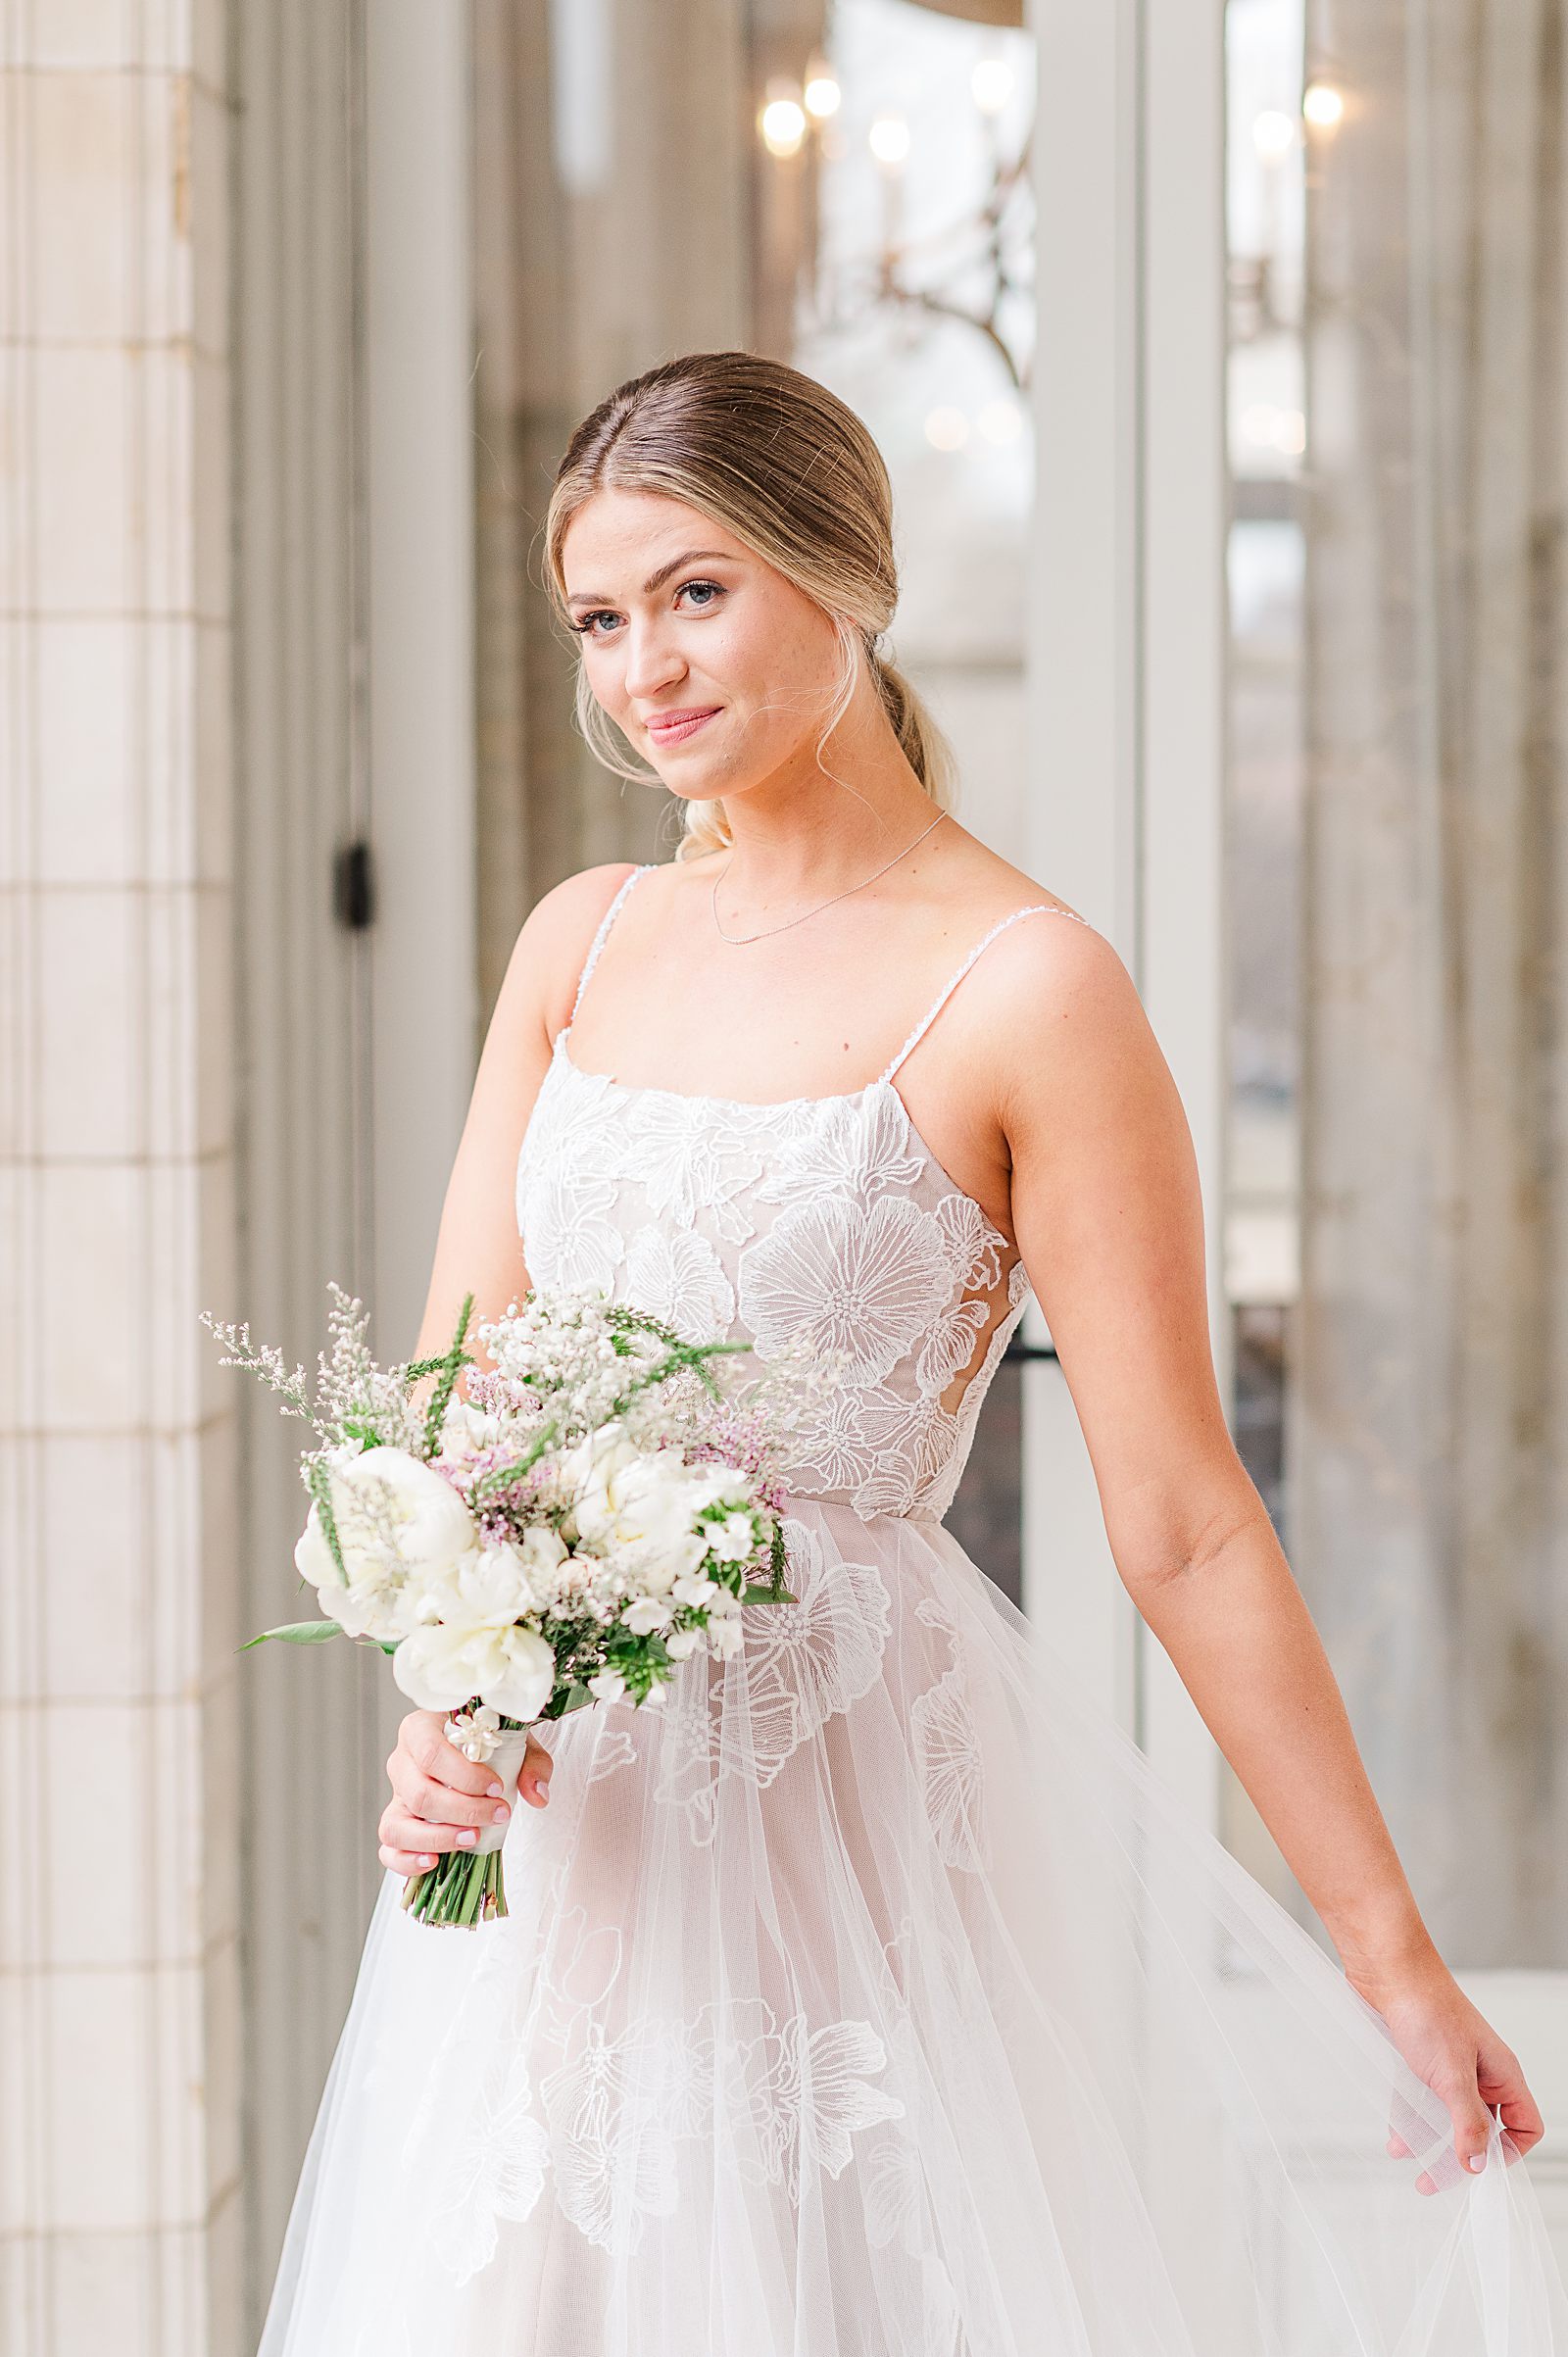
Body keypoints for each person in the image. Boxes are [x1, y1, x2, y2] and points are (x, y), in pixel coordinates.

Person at [259, 351, 1566, 2353]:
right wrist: (450, 1695)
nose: (641, 675)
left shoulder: (1026, 988)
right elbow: (462, 1409)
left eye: (695, 594)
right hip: (566, 1823)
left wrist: (1382, 1954)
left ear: (842, 577)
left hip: (842, 1807)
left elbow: (1185, 1526)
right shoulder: (578, 939)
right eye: (599, 622)